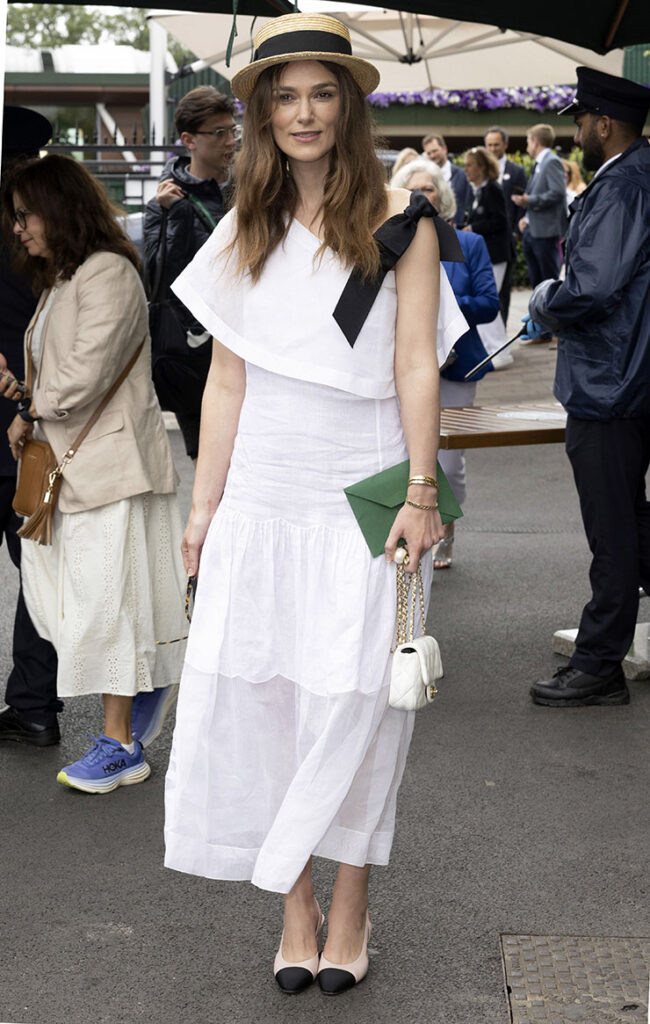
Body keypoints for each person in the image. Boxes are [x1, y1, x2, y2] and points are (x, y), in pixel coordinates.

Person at [164, 12, 467, 995]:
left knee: (355, 707)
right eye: (283, 96)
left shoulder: (400, 215)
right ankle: (293, 908)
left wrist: (421, 495)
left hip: (365, 484)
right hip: (260, 491)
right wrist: (203, 510)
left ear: (348, 103)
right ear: (261, 112)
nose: (302, 112)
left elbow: (416, 361)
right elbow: (224, 386)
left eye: (320, 93)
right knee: (266, 703)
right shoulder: (239, 227)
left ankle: (350, 906)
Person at [0, 154, 187, 789]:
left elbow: (85, 374)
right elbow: (63, 373)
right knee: (73, 605)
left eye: (26, 215)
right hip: (78, 469)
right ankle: (139, 697)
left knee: (106, 606)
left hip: (109, 467)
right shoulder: (63, 279)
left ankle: (120, 743)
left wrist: (31, 401)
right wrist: (22, 390)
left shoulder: (107, 272)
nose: (19, 228)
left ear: (60, 209)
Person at [522, 67, 650, 707]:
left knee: (614, 531)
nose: (577, 133)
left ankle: (599, 665)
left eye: (581, 122)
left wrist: (544, 297)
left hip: (609, 381)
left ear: (602, 123)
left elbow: (591, 288)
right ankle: (602, 657)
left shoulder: (624, 185)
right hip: (630, 375)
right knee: (632, 524)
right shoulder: (636, 177)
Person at [391, 159, 500, 568]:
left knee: (450, 464)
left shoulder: (469, 245)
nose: (424, 195)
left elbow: (490, 303)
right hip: (403, 369)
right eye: (414, 189)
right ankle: (408, 526)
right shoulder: (391, 241)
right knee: (408, 457)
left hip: (457, 368)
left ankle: (447, 527)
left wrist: (440, 307)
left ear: (443, 196)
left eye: (431, 189)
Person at [0, 106, 60, 747]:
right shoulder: (38, 238)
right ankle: (35, 704)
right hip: (30, 425)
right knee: (38, 575)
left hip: (26, 416)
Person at [143, 86, 238, 462]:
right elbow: (157, 277)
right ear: (189, 140)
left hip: (249, 342)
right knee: (209, 462)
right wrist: (175, 216)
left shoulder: (249, 188)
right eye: (219, 133)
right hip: (195, 352)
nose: (230, 141)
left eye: (233, 130)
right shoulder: (165, 203)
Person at [462, 146, 512, 370]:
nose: (466, 170)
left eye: (469, 165)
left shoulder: (492, 189)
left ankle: (499, 351)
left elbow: (500, 221)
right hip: (488, 255)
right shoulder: (479, 190)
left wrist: (473, 227)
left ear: (481, 166)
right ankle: (495, 350)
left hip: (496, 255)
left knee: (488, 301)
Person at [511, 123, 568, 288]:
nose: (527, 145)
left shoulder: (551, 162)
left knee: (548, 282)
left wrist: (528, 201)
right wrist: (526, 218)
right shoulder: (541, 163)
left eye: (528, 141)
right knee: (537, 282)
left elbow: (557, 193)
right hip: (533, 230)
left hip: (545, 233)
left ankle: (550, 314)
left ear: (535, 141)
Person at [483, 125, 527, 323]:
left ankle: (501, 329)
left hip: (506, 240)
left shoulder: (516, 171)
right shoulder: (479, 171)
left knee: (503, 289)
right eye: (489, 145)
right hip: (483, 239)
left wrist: (517, 229)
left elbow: (522, 203)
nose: (492, 148)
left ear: (505, 145)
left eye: (496, 144)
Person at [422, 132, 470, 229]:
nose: (432, 156)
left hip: (458, 230)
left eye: (434, 151)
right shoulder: (425, 178)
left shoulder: (462, 175)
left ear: (444, 149)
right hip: (433, 230)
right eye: (428, 153)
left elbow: (467, 204)